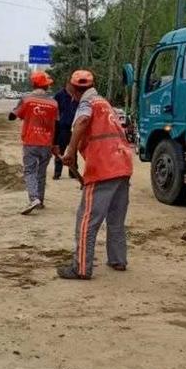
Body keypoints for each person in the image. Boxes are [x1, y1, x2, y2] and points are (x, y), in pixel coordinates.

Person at [57, 69, 134, 280]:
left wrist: (70, 151)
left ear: (72, 88)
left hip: (103, 167)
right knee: (116, 219)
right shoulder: (104, 103)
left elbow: (81, 122)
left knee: (86, 220)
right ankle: (118, 260)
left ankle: (81, 268)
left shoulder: (86, 103)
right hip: (123, 164)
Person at [8, 71, 58, 214]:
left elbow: (13, 115)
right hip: (47, 143)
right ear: (46, 86)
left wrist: (15, 112)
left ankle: (33, 198)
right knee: (41, 173)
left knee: (30, 171)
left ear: (33, 84)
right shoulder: (53, 103)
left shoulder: (27, 100)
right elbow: (57, 124)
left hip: (31, 141)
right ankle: (40, 201)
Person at [52, 82, 78, 179]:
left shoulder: (77, 95)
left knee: (73, 150)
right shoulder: (60, 95)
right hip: (62, 127)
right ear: (67, 84)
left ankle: (73, 172)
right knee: (60, 150)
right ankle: (57, 173)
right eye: (71, 84)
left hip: (74, 127)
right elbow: (54, 109)